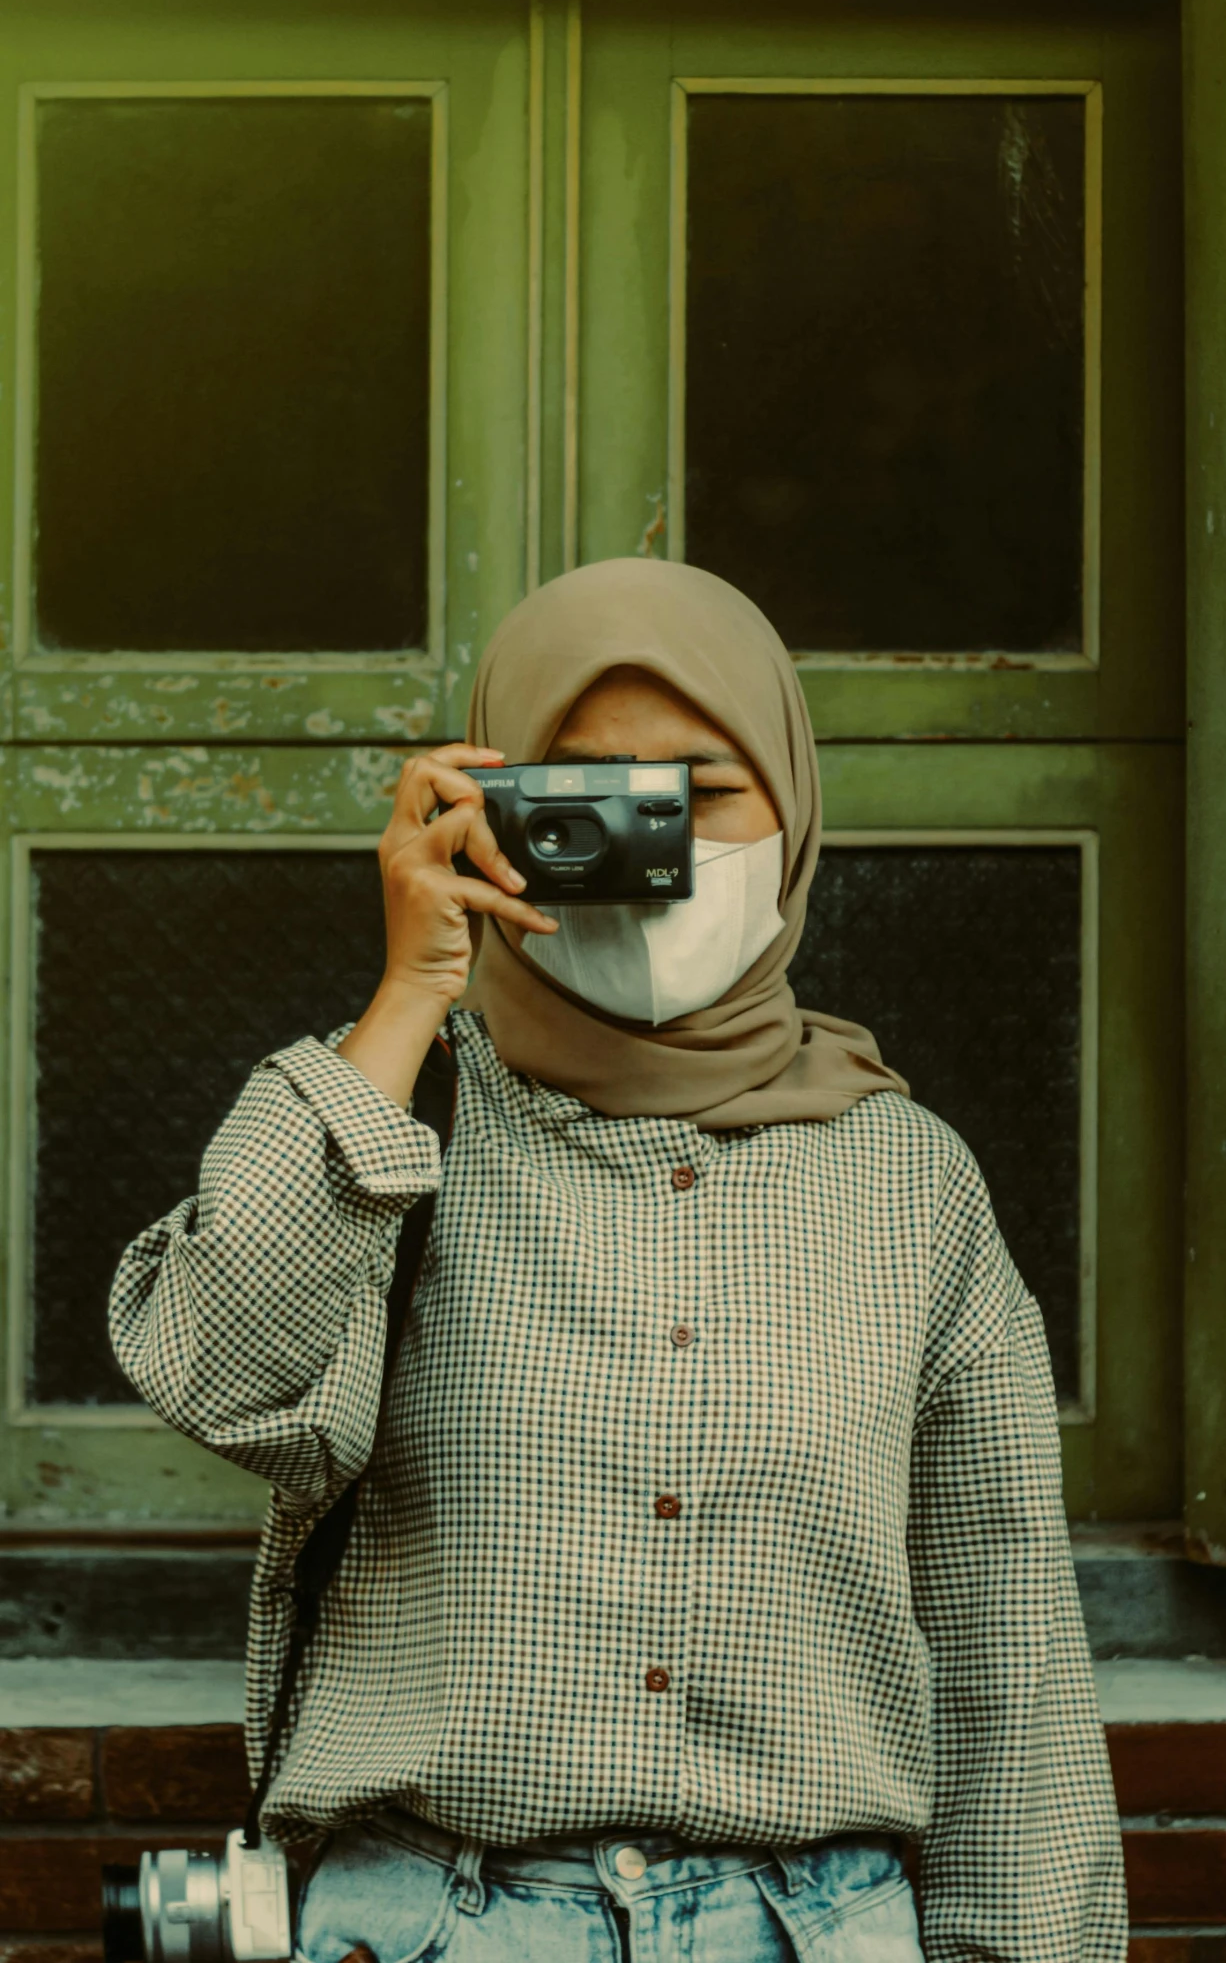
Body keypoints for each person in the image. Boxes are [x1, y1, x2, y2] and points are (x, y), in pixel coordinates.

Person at [111, 558, 1126, 1963]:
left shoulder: (909, 1180)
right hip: (435, 1923)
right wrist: (407, 992)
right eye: (580, 799)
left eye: (698, 796)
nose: (647, 844)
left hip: (811, 1930)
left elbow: (1006, 1650)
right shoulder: (396, 1125)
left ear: (792, 804)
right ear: (489, 817)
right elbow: (219, 1376)